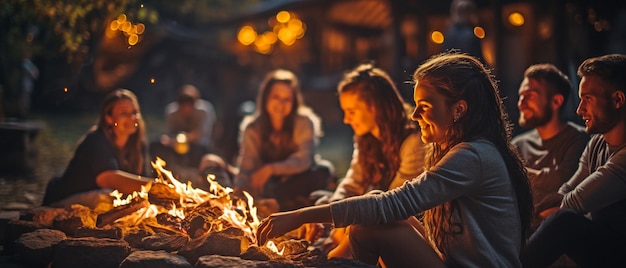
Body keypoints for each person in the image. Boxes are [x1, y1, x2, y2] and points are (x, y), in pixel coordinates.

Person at [257, 52, 533, 267]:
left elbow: (396, 203)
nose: (415, 116)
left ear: (459, 109)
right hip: (450, 260)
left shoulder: (473, 156)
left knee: (370, 226)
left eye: (424, 108)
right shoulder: (452, 149)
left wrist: (300, 216)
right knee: (370, 209)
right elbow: (365, 189)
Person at [520, 54, 626, 267]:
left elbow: (573, 202)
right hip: (603, 246)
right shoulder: (597, 143)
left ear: (617, 100)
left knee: (565, 222)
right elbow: (564, 191)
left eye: (588, 99)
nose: (579, 110)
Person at [311, 63, 426, 258]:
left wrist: (341, 220)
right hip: (373, 208)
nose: (346, 120)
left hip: (403, 224)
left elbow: (392, 203)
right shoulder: (366, 138)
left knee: (354, 225)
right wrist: (329, 212)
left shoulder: (412, 140)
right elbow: (352, 183)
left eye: (352, 111)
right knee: (321, 199)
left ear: (374, 107)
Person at [234, 69, 333, 212]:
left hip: (298, 179)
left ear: (294, 102)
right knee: (262, 185)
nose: (281, 104)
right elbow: (247, 164)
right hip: (269, 184)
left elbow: (304, 160)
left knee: (323, 170)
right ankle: (286, 204)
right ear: (266, 98)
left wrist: (271, 169)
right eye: (276, 97)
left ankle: (276, 204)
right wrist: (239, 189)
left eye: (287, 99)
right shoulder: (253, 128)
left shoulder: (304, 122)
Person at [42, 89, 155, 210]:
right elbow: (107, 179)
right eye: (124, 113)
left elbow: (140, 184)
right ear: (109, 118)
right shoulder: (96, 140)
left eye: (135, 112)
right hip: (62, 201)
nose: (132, 118)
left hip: (97, 201)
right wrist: (158, 187)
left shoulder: (139, 145)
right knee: (109, 197)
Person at [512, 63, 589, 230]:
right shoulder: (518, 144)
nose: (521, 103)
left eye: (530, 96)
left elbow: (563, 179)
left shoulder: (580, 140)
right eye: (521, 96)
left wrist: (516, 170)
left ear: (556, 101)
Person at [150, 84, 216, 186]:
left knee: (204, 148)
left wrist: (184, 138)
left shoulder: (204, 111)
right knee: (156, 144)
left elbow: (202, 134)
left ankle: (203, 178)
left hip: (198, 145)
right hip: (175, 144)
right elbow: (169, 132)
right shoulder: (172, 112)